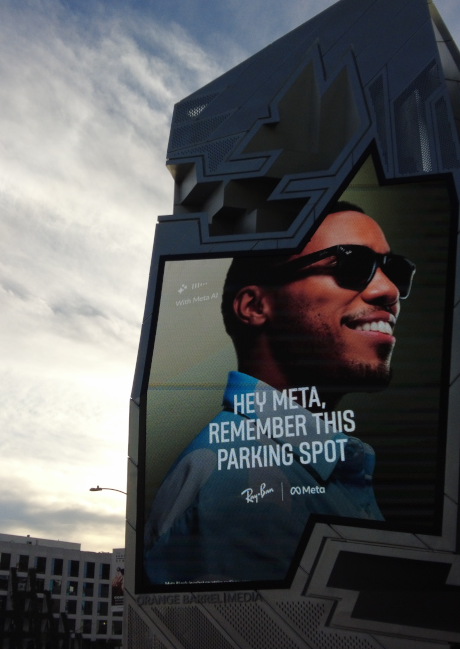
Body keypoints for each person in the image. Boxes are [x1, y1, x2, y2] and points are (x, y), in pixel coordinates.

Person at [144, 202, 415, 584]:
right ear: (255, 306)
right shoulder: (239, 486)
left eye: (396, 271)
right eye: (351, 265)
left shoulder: (289, 469)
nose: (389, 290)